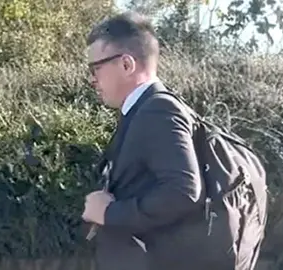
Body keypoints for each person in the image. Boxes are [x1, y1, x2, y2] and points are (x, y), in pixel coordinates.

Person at [81, 11, 265, 270]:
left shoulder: (157, 111)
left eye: (95, 68)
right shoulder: (144, 109)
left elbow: (183, 191)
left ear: (126, 64)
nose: (92, 79)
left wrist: (110, 213)